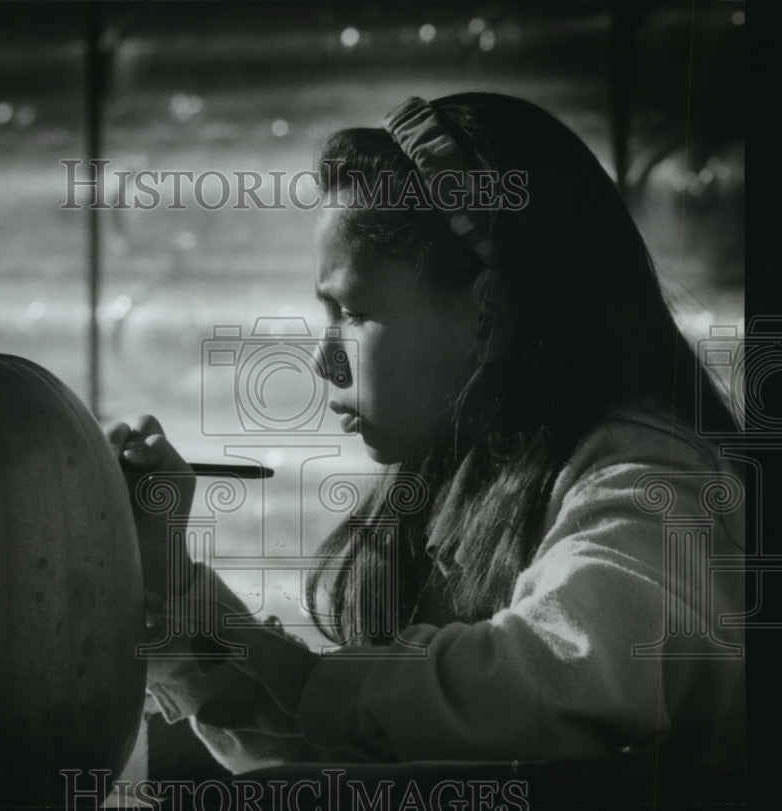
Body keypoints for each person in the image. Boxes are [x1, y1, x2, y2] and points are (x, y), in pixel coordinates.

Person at [108, 93, 745, 777]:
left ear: (490, 312)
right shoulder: (463, 475)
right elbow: (342, 755)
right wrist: (169, 578)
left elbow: (559, 678)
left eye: (352, 311)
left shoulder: (654, 483)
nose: (325, 359)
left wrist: (302, 678)